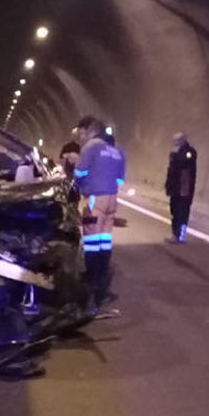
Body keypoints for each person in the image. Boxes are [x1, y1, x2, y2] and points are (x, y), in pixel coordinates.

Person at [72, 116, 125, 306]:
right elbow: (119, 180)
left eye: (83, 134)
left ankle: (92, 283)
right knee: (104, 240)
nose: (81, 138)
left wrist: (79, 186)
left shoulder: (91, 147)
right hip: (111, 199)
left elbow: (79, 173)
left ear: (92, 131)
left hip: (95, 199)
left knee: (91, 241)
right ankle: (103, 283)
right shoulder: (117, 150)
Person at [164, 132, 197, 243]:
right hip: (175, 189)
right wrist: (168, 186)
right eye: (175, 140)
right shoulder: (175, 153)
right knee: (174, 211)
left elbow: (185, 162)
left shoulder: (190, 152)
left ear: (183, 140)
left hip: (184, 190)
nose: (175, 143)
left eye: (178, 140)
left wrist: (175, 155)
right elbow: (171, 172)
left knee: (182, 213)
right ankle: (175, 234)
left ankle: (180, 236)